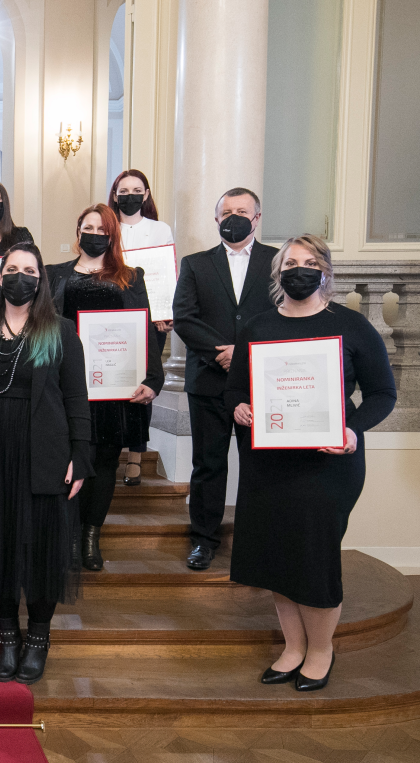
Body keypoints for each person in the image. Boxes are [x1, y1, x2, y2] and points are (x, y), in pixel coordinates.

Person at [228, 234, 396, 692]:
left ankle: (321, 651)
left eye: (308, 261)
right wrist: (238, 407)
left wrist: (352, 428)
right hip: (269, 465)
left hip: (328, 466)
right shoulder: (258, 327)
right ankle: (293, 647)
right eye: (289, 262)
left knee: (314, 559)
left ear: (324, 270)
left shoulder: (351, 325)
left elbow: (383, 393)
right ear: (278, 272)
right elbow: (236, 388)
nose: (297, 269)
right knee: (279, 557)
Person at [0, 242, 91, 686]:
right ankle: (7, 635)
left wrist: (80, 457)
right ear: (0, 275)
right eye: (12, 268)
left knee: (41, 549)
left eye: (29, 269)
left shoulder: (60, 331)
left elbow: (76, 399)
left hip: (43, 452)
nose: (19, 276)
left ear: (41, 278)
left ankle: (39, 637)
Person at [44, 204, 164, 571]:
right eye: (88, 226)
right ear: (77, 231)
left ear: (112, 235)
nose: (95, 232)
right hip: (68, 385)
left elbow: (144, 331)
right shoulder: (54, 274)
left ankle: (92, 537)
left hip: (115, 389)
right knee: (73, 459)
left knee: (106, 461)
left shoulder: (131, 276)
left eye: (102, 228)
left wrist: (153, 379)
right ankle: (71, 536)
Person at [171, 188, 277, 571]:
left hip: (260, 384)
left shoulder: (277, 262)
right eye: (227, 211)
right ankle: (203, 540)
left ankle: (258, 540)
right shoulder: (196, 264)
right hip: (208, 381)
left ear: (257, 217)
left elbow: (284, 314)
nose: (234, 217)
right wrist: (223, 350)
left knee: (259, 465)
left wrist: (245, 353)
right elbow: (183, 317)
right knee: (209, 464)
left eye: (242, 211)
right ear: (216, 219)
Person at [108, 169, 176, 485]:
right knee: (112, 380)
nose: (130, 195)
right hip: (113, 316)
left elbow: (165, 275)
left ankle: (136, 452)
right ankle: (109, 449)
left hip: (151, 317)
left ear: (146, 194)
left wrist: (165, 312)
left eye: (137, 189)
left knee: (142, 385)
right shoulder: (107, 228)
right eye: (124, 190)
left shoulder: (160, 230)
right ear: (115, 194)